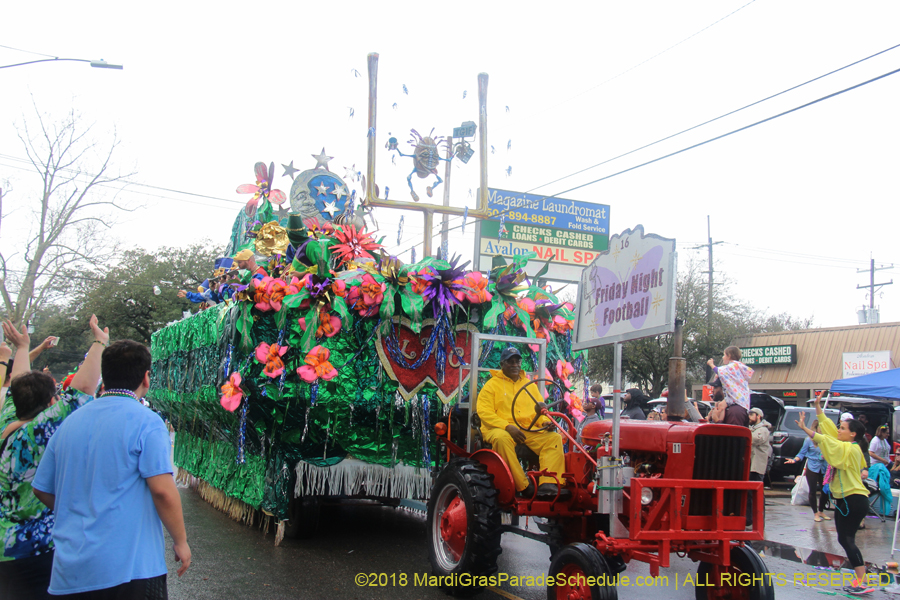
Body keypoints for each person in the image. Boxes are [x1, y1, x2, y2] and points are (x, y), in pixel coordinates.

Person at [33, 339, 191, 597]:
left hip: (70, 572)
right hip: (130, 571)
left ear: (105, 375)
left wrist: (79, 509)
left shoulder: (70, 423)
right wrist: (181, 541)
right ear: (146, 377)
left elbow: (42, 488)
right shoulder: (147, 422)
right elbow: (163, 491)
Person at [0, 318, 106, 599]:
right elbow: (83, 390)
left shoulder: (7, 421)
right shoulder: (36, 434)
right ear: (50, 406)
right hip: (34, 549)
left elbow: (17, 384)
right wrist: (99, 343)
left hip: (4, 548)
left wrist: (22, 347)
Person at [796, 392, 872, 595]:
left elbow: (830, 442)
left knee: (847, 540)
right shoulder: (848, 444)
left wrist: (808, 431)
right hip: (849, 500)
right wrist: (819, 408)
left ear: (853, 433)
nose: (839, 430)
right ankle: (861, 579)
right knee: (845, 539)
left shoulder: (852, 449)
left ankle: (862, 581)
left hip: (853, 499)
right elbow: (830, 432)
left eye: (843, 428)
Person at [478, 347, 568, 499]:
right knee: (502, 439)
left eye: (517, 361)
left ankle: (549, 484)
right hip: (499, 428)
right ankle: (524, 486)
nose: (515, 365)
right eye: (510, 362)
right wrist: (507, 426)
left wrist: (545, 423)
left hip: (526, 429)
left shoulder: (529, 385)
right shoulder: (491, 386)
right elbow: (484, 412)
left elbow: (539, 412)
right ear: (502, 364)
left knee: (554, 438)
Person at [785, 419, 830, 522]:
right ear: (816, 427)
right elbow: (802, 453)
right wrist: (794, 460)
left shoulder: (826, 439)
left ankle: (821, 510)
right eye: (821, 427)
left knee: (825, 490)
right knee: (812, 490)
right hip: (812, 466)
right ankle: (815, 513)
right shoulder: (809, 440)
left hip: (824, 467)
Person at [707, 346, 753, 427]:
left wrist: (711, 364)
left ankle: (718, 419)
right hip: (742, 402)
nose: (723, 357)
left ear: (729, 356)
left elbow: (719, 371)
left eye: (724, 355)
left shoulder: (732, 366)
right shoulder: (739, 367)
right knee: (721, 405)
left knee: (721, 406)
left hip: (736, 402)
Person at [746, 407, 771, 528]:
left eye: (752, 415)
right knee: (749, 493)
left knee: (757, 493)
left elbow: (755, 439)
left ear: (758, 416)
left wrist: (746, 433)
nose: (749, 417)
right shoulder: (752, 429)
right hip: (751, 466)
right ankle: (750, 518)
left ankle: (759, 518)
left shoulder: (763, 430)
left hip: (757, 466)